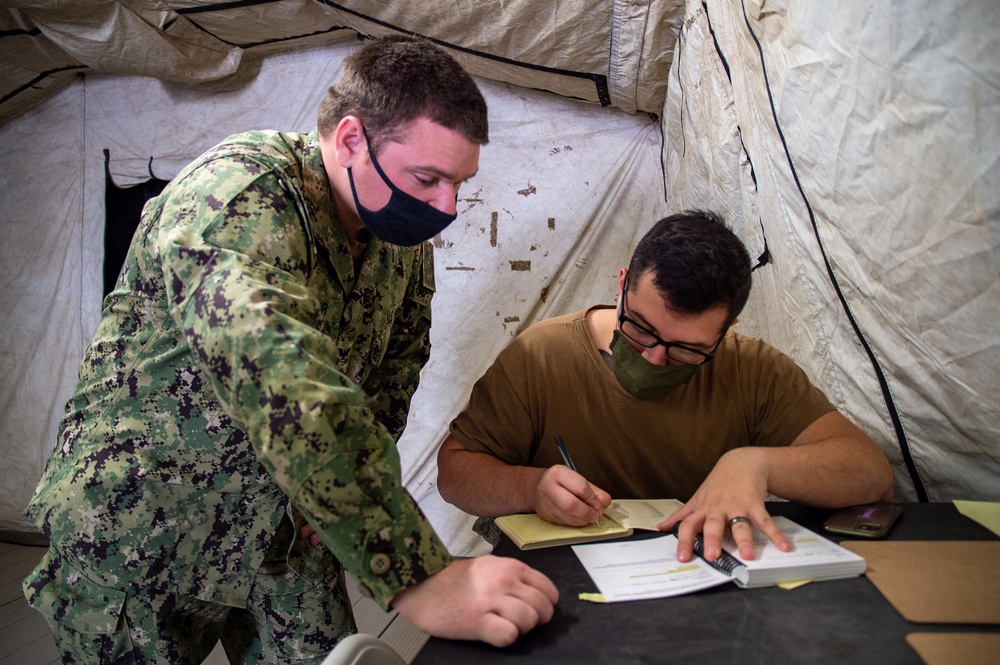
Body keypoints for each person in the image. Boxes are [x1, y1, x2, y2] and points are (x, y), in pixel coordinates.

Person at [23, 35, 557, 663]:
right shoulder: (241, 192)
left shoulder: (397, 245)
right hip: (147, 526)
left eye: (458, 183)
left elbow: (389, 381)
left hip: (283, 529)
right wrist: (420, 574)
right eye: (429, 178)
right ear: (353, 139)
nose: (448, 206)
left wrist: (335, 498)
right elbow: (285, 383)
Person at [437, 210, 894, 565]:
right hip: (563, 581)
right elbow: (455, 473)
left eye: (685, 350)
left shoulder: (753, 369)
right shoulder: (542, 357)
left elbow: (869, 473)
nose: (655, 358)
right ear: (622, 286)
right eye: (639, 330)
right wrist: (530, 487)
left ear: (725, 330)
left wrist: (757, 465)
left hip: (695, 576)